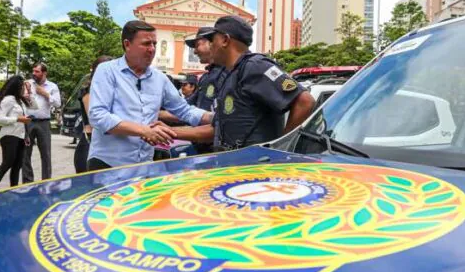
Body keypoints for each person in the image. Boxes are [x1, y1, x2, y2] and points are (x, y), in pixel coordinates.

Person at [172, 15, 316, 150]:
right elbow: (217, 129)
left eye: (212, 40)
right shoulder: (230, 74)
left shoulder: (255, 66)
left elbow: (304, 101)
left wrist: (281, 146)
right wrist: (171, 132)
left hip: (256, 167)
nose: (210, 46)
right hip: (233, 164)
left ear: (225, 40)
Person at [87, 20, 212, 171]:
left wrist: (215, 117)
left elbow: (184, 110)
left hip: (143, 164)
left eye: (155, 44)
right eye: (146, 44)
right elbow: (98, 116)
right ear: (127, 44)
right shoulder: (107, 71)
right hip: (108, 164)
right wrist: (143, 130)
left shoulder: (159, 78)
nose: (152, 49)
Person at [0, 76, 37, 193]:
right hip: (9, 136)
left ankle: (13, 190)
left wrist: (30, 92)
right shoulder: (8, 99)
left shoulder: (20, 100)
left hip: (20, 136)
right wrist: (17, 119)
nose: (23, 89)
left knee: (17, 166)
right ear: (16, 87)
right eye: (22, 86)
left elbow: (35, 106)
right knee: (7, 163)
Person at [22, 63, 62, 183]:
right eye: (33, 71)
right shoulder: (27, 83)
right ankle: (27, 181)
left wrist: (45, 94)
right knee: (25, 154)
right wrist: (26, 93)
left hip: (44, 123)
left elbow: (58, 104)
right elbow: (23, 100)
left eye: (37, 71)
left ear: (44, 73)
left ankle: (46, 181)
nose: (34, 73)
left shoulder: (52, 86)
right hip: (28, 122)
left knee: (46, 154)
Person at [73, 55, 113, 173]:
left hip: (103, 145)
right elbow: (94, 118)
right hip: (89, 144)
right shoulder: (89, 90)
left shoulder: (107, 91)